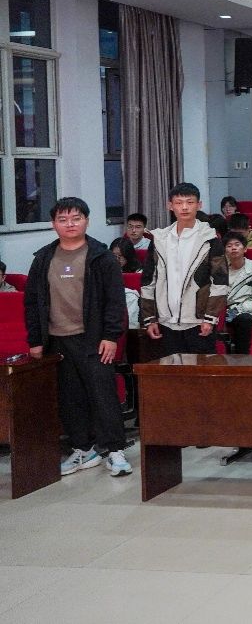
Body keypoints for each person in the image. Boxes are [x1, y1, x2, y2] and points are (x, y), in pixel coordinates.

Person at [24, 197, 131, 478]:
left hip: (93, 339)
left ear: (86, 221)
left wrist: (110, 336)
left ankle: (116, 450)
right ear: (53, 224)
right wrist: (35, 340)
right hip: (56, 340)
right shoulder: (43, 258)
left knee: (103, 395)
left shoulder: (100, 257)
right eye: (63, 219)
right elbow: (32, 302)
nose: (70, 224)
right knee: (70, 399)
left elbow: (115, 301)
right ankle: (83, 449)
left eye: (76, 218)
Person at [139, 183, 228, 356]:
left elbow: (220, 281)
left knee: (201, 370)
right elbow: (149, 280)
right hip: (165, 321)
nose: (185, 207)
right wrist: (149, 318)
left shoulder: (210, 239)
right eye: (179, 203)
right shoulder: (159, 239)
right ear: (170, 206)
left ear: (199, 205)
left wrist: (210, 318)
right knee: (170, 370)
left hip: (198, 321)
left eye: (190, 202)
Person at [223, 231, 252, 354]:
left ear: (245, 249)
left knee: (244, 320)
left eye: (237, 245)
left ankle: (242, 357)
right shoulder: (220, 270)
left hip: (246, 311)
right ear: (225, 251)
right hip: (223, 311)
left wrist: (238, 309)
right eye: (229, 246)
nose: (233, 248)